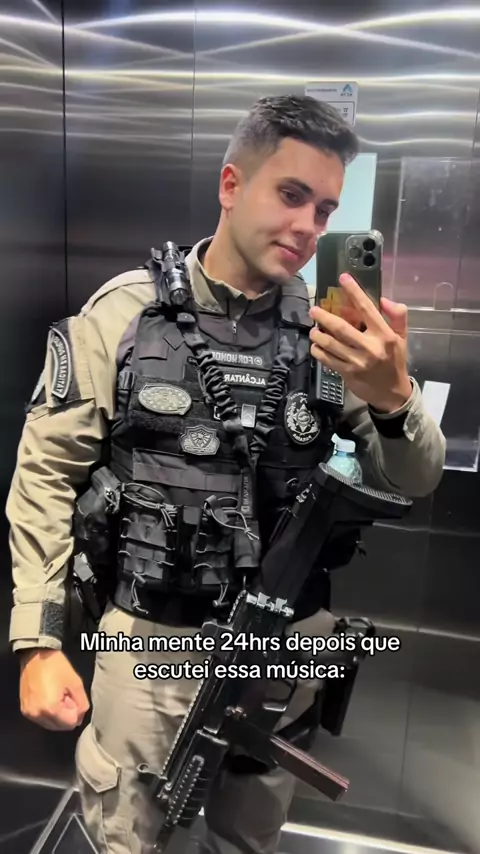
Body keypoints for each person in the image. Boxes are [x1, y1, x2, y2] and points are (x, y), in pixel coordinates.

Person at [6, 94, 446, 854]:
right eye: (291, 194)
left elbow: (415, 479)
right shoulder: (125, 315)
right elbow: (45, 478)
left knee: (249, 839)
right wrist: (37, 644)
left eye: (326, 209)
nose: (309, 227)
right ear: (231, 184)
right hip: (149, 646)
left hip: (282, 648)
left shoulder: (336, 334)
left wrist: (393, 399)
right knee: (129, 838)